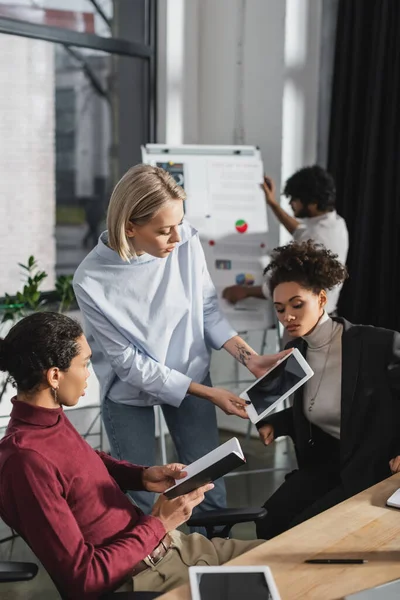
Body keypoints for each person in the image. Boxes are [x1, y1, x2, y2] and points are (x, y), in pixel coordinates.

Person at [0, 313, 263, 599]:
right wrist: (159, 523)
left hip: (178, 548)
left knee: (290, 554)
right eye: (84, 364)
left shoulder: (50, 420)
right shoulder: (25, 461)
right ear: (54, 376)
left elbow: (81, 463)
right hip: (149, 580)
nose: (89, 373)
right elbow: (83, 579)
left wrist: (141, 476)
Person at [73, 164, 287, 515]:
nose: (177, 237)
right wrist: (208, 393)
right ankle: (150, 565)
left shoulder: (185, 240)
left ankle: (213, 554)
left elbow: (207, 312)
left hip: (191, 372)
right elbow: (130, 365)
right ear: (130, 227)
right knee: (140, 495)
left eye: (179, 225)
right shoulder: (91, 279)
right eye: (164, 231)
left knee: (208, 484)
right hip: (128, 392)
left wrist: (250, 358)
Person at [254, 240, 400, 540]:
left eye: (297, 304)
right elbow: (315, 406)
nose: (287, 317)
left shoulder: (375, 344)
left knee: (300, 535)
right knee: (268, 521)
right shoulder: (294, 351)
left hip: (370, 465)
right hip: (325, 463)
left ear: (321, 299)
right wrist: (275, 423)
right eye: (280, 309)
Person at [223, 165, 349, 315]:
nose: (291, 204)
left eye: (295, 199)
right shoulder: (335, 223)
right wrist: (272, 203)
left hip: (309, 323)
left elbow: (289, 284)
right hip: (322, 315)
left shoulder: (317, 237)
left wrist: (245, 291)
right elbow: (299, 231)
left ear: (313, 203)